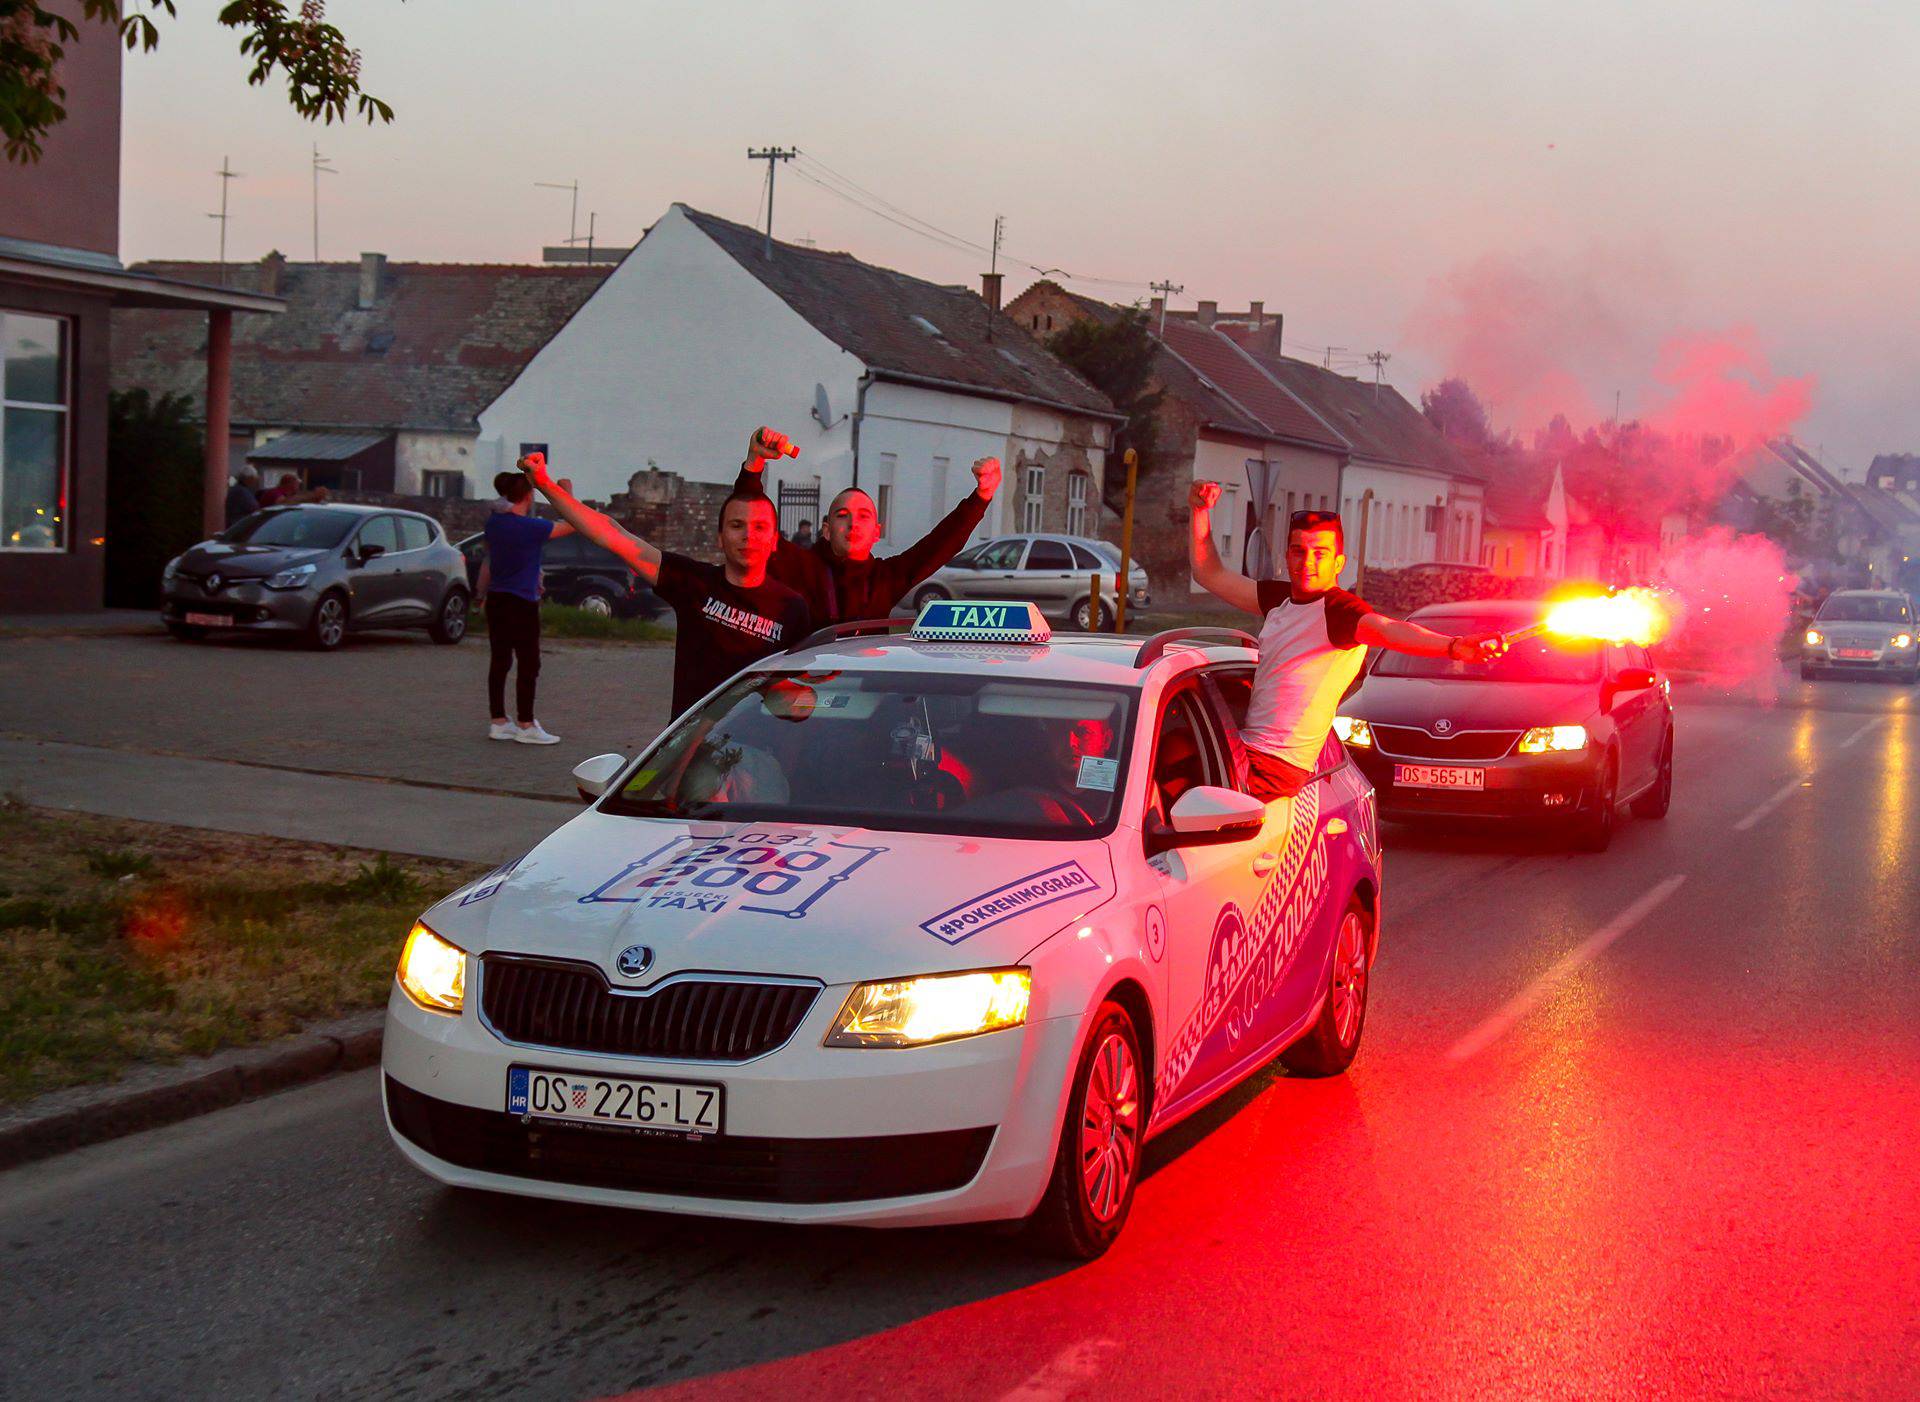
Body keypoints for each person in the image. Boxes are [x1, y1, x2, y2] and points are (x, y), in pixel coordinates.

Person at [1188, 483, 1506, 802]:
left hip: (1274, 766)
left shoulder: (1339, 612)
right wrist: (1200, 511)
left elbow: (1387, 629)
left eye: (1320, 553)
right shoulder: (1278, 599)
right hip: (1248, 748)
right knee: (1173, 745)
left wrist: (1452, 646)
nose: (1308, 561)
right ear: (1287, 555)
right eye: (1299, 550)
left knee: (1174, 778)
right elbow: (1209, 573)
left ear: (1339, 563)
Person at [519, 452, 810, 717]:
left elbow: (799, 702)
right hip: (689, 748)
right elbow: (611, 534)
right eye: (737, 525)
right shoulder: (694, 583)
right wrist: (543, 483)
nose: (748, 535)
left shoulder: (792, 609)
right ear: (720, 537)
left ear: (774, 542)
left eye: (760, 527)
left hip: (755, 751)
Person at [734, 428, 1001, 623]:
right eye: (842, 515)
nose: (853, 523)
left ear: (877, 532)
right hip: (804, 693)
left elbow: (940, 544)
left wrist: (982, 497)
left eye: (863, 516)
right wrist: (755, 463)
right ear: (826, 530)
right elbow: (751, 523)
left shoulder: (886, 578)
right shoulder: (802, 567)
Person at [480, 470, 576, 744]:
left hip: (497, 599)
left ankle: (498, 722)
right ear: (528, 495)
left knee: (500, 661)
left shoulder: (495, 523)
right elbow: (571, 523)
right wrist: (565, 490)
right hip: (521, 602)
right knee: (529, 663)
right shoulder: (530, 528)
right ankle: (526, 724)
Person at [256, 472, 330, 508]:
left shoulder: (290, 495)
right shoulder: (274, 492)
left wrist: (316, 499)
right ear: (290, 484)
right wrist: (313, 496)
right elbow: (283, 502)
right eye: (297, 484)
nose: (298, 487)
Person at [224, 465, 260, 530]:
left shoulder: (239, 490)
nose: (255, 481)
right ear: (248, 478)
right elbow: (252, 508)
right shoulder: (241, 492)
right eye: (253, 478)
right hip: (239, 527)